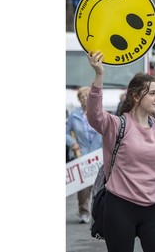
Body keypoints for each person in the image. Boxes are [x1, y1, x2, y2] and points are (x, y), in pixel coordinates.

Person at [86, 51, 155, 252]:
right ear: (135, 95)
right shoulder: (117, 125)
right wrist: (99, 76)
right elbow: (95, 116)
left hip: (154, 209)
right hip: (120, 207)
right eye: (152, 93)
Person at [66, 86, 103, 223]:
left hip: (98, 153)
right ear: (79, 100)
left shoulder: (100, 113)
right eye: (82, 96)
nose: (85, 98)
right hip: (81, 153)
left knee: (100, 184)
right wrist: (72, 143)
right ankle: (84, 211)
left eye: (88, 96)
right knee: (83, 186)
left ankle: (98, 211)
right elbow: (65, 132)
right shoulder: (74, 115)